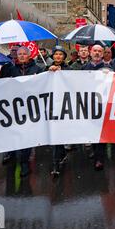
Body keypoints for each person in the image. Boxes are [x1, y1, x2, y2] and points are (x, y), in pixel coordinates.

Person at [6, 46, 44, 176]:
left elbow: (44, 84)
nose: (21, 56)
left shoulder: (37, 69)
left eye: (24, 54)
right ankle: (17, 157)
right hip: (15, 108)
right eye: (19, 54)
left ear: (29, 55)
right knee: (17, 135)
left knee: (27, 136)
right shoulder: (11, 70)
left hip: (31, 108)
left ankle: (24, 163)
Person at [82, 45, 110, 170]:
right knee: (91, 129)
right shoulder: (84, 68)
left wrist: (110, 75)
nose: (97, 53)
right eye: (95, 51)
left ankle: (99, 158)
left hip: (102, 104)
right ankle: (94, 149)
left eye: (100, 51)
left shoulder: (108, 68)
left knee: (101, 130)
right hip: (88, 103)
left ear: (103, 53)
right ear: (90, 52)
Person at [47, 46, 72, 177]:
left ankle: (60, 154)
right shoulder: (47, 69)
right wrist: (48, 71)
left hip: (65, 105)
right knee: (55, 133)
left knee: (61, 132)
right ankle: (55, 163)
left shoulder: (69, 69)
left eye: (60, 54)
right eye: (55, 54)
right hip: (52, 105)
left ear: (64, 57)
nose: (58, 56)